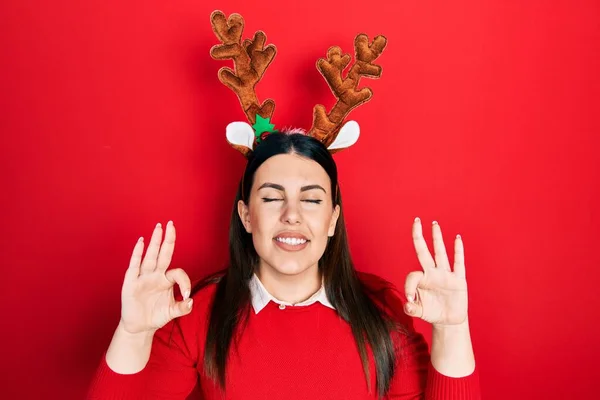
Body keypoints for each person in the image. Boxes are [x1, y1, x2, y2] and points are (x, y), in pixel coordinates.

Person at [86, 131, 480, 399]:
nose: (292, 215)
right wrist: (132, 332)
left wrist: (452, 329)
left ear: (331, 220)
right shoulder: (197, 313)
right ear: (246, 216)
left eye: (311, 199)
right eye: (273, 198)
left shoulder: (382, 309)